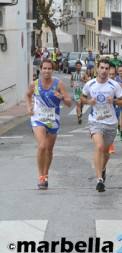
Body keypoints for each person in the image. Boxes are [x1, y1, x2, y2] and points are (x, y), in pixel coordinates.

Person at [25, 59, 72, 190]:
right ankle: (40, 177)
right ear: (40, 69)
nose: (46, 71)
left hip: (53, 120)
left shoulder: (58, 84)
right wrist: (29, 107)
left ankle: (46, 174)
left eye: (49, 68)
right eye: (44, 68)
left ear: (53, 70)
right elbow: (28, 96)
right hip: (38, 118)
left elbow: (69, 103)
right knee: (42, 146)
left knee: (49, 149)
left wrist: (62, 98)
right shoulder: (34, 84)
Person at [81, 59, 122, 192]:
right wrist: (88, 101)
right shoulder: (90, 84)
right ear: (97, 69)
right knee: (99, 146)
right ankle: (99, 179)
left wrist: (115, 101)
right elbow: (82, 98)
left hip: (111, 122)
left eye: (107, 68)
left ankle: (103, 169)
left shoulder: (114, 85)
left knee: (106, 153)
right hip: (95, 121)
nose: (104, 71)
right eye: (102, 68)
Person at [107, 65, 122, 154]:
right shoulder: (103, 85)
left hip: (115, 108)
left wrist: (115, 100)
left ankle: (110, 142)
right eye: (110, 74)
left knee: (112, 127)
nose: (111, 76)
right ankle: (109, 144)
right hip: (105, 110)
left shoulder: (117, 85)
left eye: (113, 74)